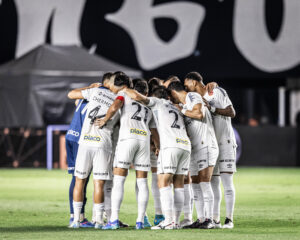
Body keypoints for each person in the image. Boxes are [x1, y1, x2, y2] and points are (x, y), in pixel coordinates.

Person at [123, 86, 191, 230]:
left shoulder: (158, 102)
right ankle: (176, 221)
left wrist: (124, 88)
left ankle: (169, 221)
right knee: (179, 183)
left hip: (170, 146)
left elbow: (138, 97)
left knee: (163, 181)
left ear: (156, 96)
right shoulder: (176, 107)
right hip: (185, 145)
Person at [95, 76, 157, 230]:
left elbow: (116, 105)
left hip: (127, 139)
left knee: (119, 180)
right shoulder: (150, 104)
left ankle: (114, 220)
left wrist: (105, 119)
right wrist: (157, 145)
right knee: (142, 182)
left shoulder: (125, 94)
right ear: (146, 91)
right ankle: (140, 221)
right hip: (143, 140)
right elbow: (154, 129)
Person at [67, 73, 121, 229]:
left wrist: (90, 87)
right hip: (102, 144)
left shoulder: (95, 92)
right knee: (99, 183)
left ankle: (76, 220)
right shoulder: (119, 98)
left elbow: (71, 95)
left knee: (79, 181)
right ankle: (98, 221)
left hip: (85, 142)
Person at [184, 71, 236, 229]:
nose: (186, 89)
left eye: (187, 85)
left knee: (227, 181)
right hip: (211, 144)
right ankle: (215, 219)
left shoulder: (216, 91)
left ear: (194, 82)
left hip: (225, 142)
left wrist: (212, 109)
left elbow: (231, 112)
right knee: (213, 182)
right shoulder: (198, 100)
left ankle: (229, 219)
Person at [168, 81, 219, 229]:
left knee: (204, 181)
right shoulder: (184, 106)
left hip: (206, 145)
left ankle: (209, 219)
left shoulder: (192, 97)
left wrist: (182, 111)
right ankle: (201, 218)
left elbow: (199, 113)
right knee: (195, 184)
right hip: (195, 149)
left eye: (171, 96)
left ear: (173, 93)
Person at [65, 82, 101, 228]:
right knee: (81, 179)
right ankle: (79, 217)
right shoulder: (98, 100)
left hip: (70, 136)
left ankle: (75, 215)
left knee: (77, 178)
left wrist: (89, 88)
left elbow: (74, 99)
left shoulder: (81, 99)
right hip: (81, 140)